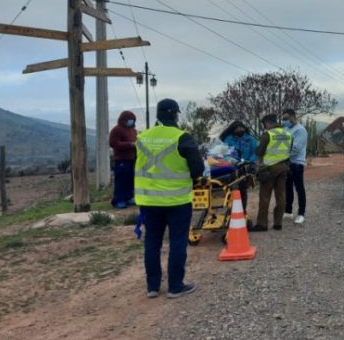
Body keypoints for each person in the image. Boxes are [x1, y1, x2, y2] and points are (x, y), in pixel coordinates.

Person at [135, 98, 204, 299]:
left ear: (158, 114)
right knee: (177, 241)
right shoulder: (182, 137)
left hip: (148, 201)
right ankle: (175, 286)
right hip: (177, 201)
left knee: (152, 242)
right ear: (175, 114)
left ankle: (152, 287)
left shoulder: (142, 137)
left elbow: (136, 164)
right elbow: (197, 169)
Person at [253, 114, 292, 232]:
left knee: (265, 197)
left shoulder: (267, 135)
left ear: (268, 123)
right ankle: (278, 223)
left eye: (264, 124)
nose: (264, 126)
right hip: (283, 168)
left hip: (269, 169)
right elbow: (288, 150)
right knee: (281, 196)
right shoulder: (288, 134)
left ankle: (262, 224)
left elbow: (259, 151)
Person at [219, 120, 258, 209]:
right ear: (233, 130)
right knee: (229, 188)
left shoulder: (250, 139)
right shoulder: (228, 139)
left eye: (241, 128)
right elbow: (224, 151)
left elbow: (255, 152)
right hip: (231, 166)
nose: (240, 130)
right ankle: (231, 209)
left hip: (245, 166)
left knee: (242, 189)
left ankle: (242, 210)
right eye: (237, 129)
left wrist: (250, 162)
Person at [282, 109, 308, 224]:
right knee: (288, 187)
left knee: (299, 188)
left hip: (297, 163)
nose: (285, 121)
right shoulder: (286, 129)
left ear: (293, 117)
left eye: (286, 118)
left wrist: (282, 155)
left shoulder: (300, 130)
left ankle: (301, 214)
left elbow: (296, 148)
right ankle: (288, 211)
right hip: (287, 163)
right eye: (283, 119)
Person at [109, 110, 138, 209]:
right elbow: (113, 143)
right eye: (130, 120)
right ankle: (118, 200)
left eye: (133, 120)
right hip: (121, 159)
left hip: (131, 159)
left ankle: (128, 198)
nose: (131, 122)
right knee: (121, 180)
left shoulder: (133, 131)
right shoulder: (117, 130)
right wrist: (130, 144)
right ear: (124, 120)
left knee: (130, 179)